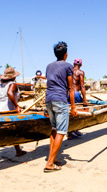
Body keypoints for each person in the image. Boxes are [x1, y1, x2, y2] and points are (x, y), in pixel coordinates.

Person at [0, 67, 27, 167]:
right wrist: (16, 106)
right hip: (8, 111)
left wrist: (2, 103)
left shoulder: (0, 85)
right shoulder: (13, 84)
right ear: (14, 77)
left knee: (14, 130)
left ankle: (18, 151)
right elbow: (10, 93)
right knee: (0, 134)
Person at [44, 41, 77, 173]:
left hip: (49, 100)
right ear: (66, 54)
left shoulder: (49, 66)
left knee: (54, 129)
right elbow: (71, 88)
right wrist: (73, 107)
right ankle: (50, 163)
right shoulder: (68, 66)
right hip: (60, 100)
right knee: (62, 131)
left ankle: (52, 157)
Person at [67, 58, 88, 140]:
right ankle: (75, 129)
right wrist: (85, 99)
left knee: (69, 112)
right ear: (81, 65)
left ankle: (70, 132)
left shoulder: (69, 71)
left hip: (67, 94)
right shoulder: (81, 72)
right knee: (77, 111)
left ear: (73, 63)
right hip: (75, 93)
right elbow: (82, 86)